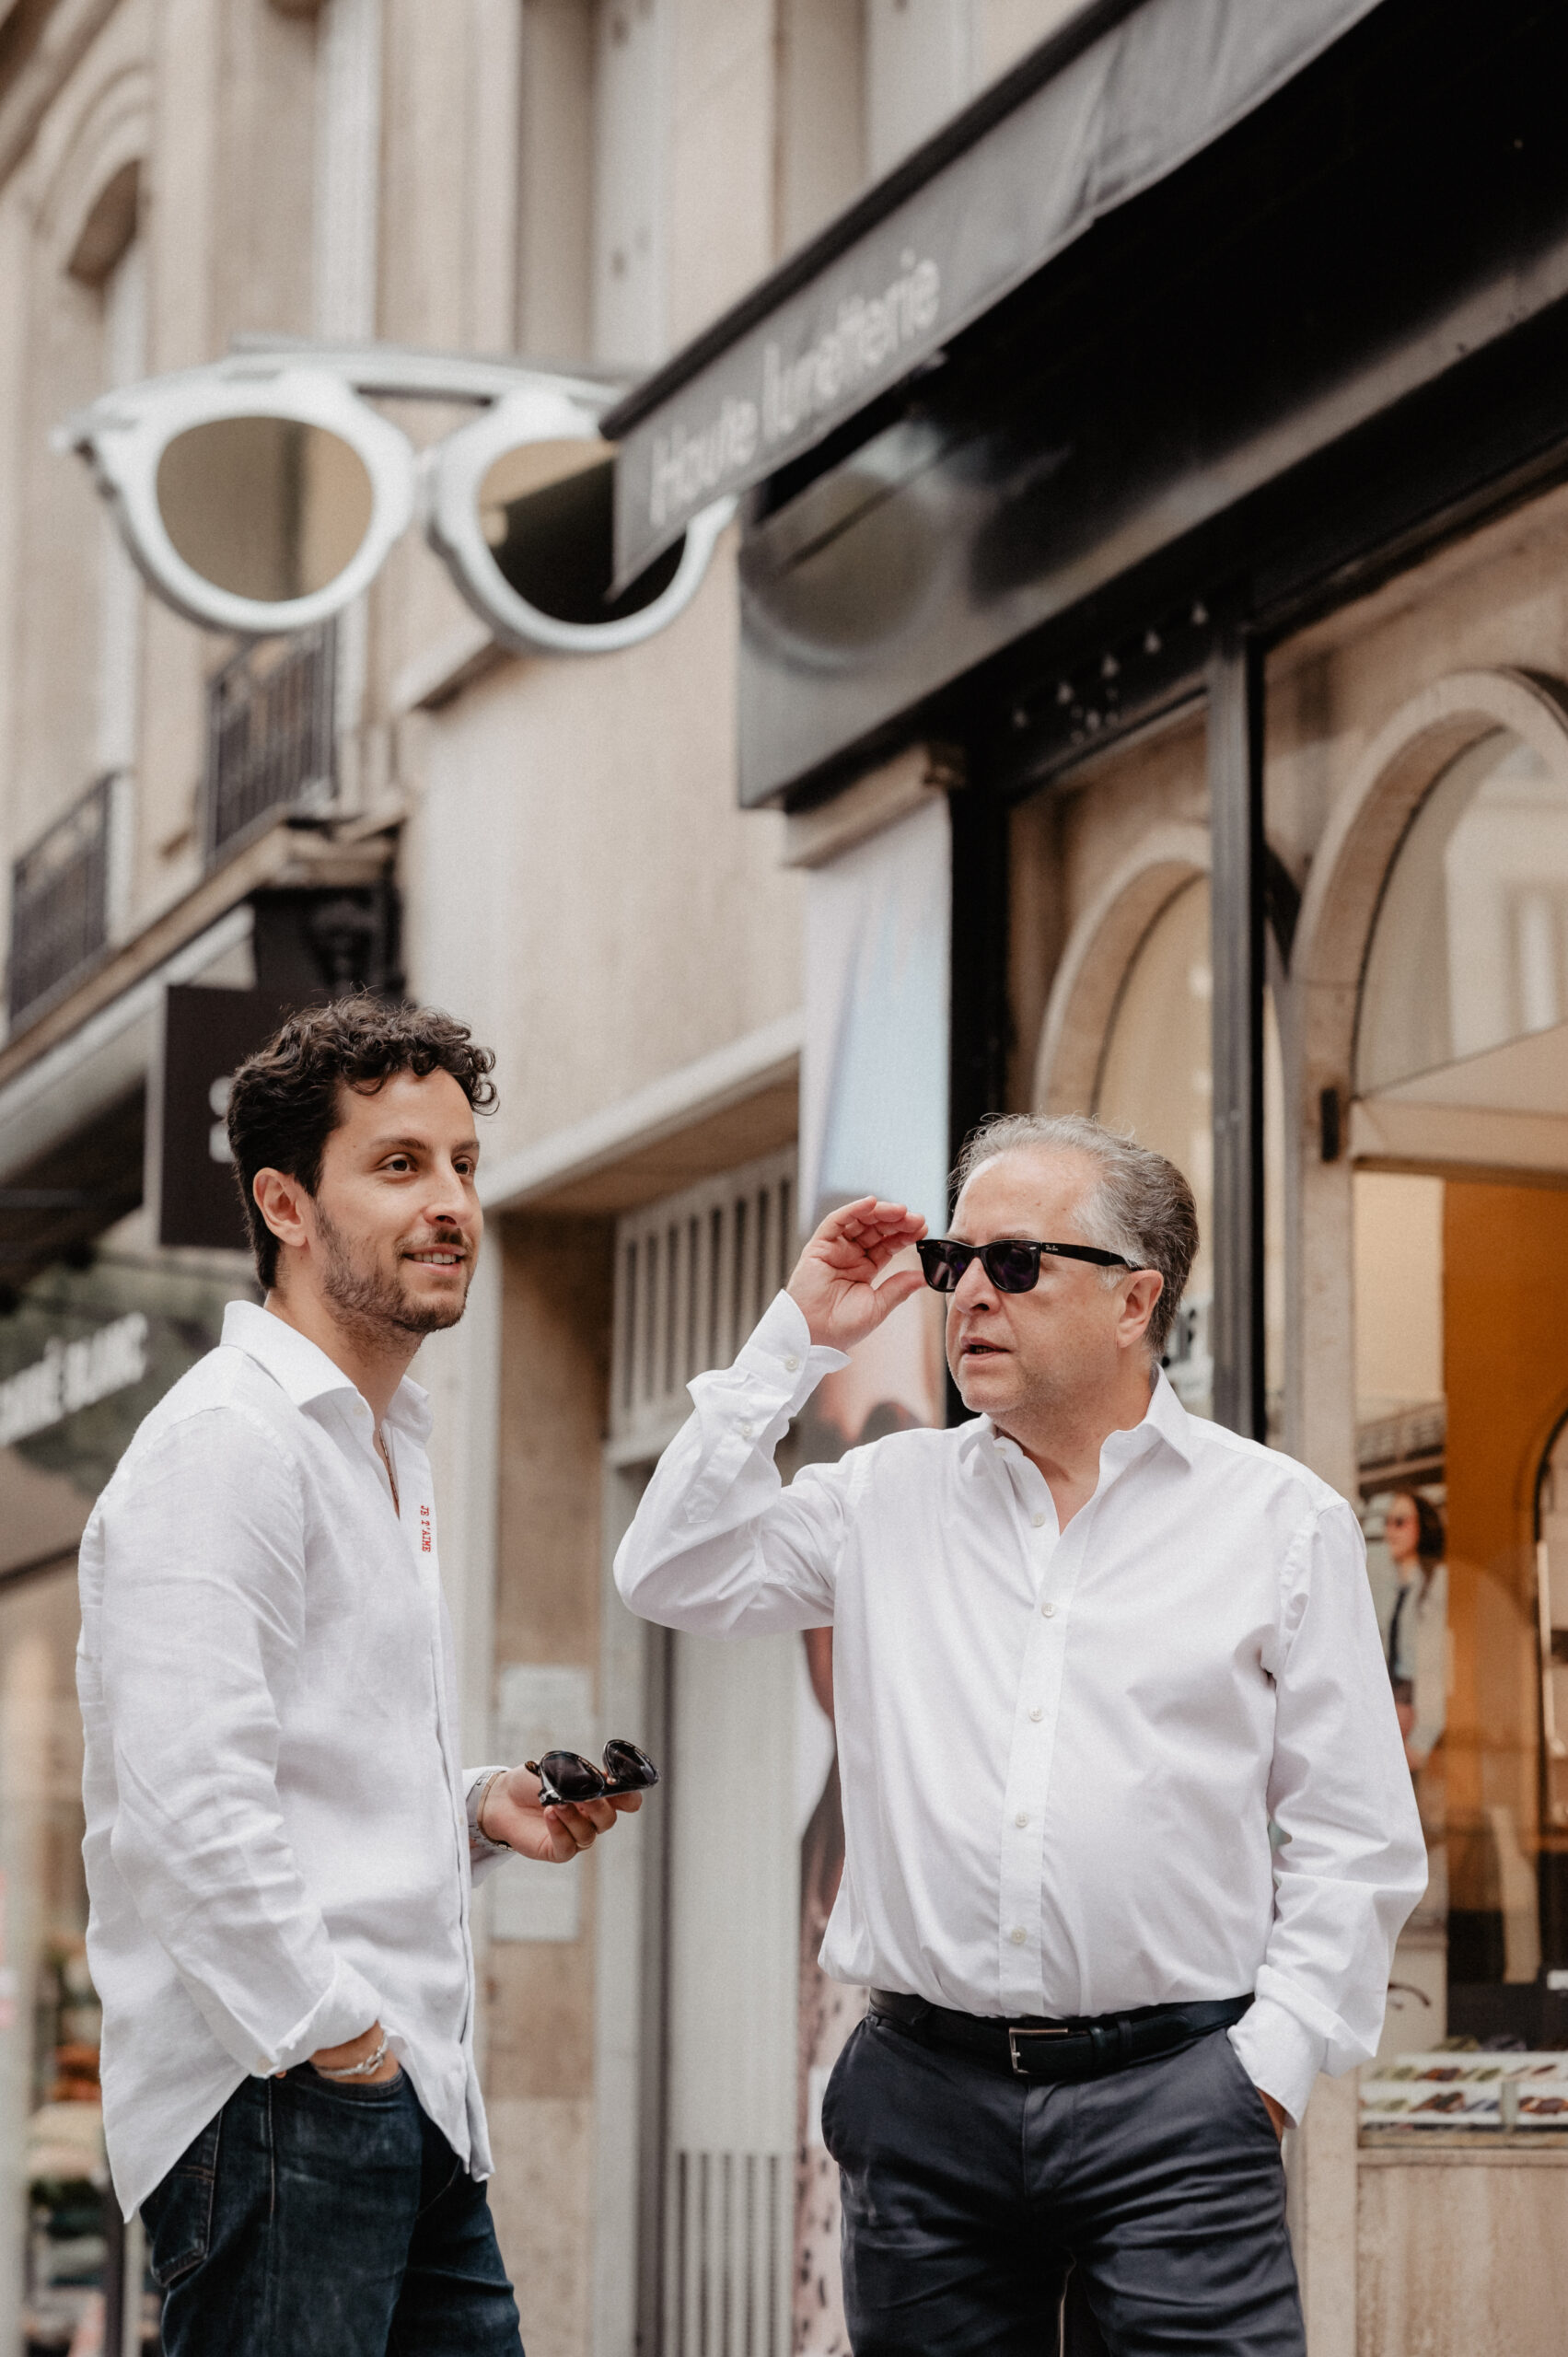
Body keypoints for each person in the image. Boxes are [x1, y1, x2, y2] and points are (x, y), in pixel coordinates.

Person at [616, 1111, 1426, 2356]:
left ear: (1132, 1301)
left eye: (1014, 1263)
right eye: (952, 1264)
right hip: (922, 2102)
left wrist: (1259, 2074)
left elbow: (1354, 1835)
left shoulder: (1277, 1521)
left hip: (1178, 2099)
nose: (967, 1297)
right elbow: (666, 1571)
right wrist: (793, 1339)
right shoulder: (881, 1499)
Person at [77, 996, 641, 2357]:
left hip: (406, 2104)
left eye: (462, 1164)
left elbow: (303, 1761)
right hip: (283, 2098)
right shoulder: (230, 1445)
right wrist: (339, 2044)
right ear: (283, 1202)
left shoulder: (375, 1442)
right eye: (399, 1167)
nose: (450, 1203)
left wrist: (472, 1808)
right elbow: (187, 1807)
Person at [1381, 1488, 1447, 1771]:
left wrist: (1420, 1743)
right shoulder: (1399, 1589)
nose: (1390, 1531)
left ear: (1423, 1527)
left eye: (1400, 1522)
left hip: (1419, 1732)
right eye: (1388, 1522)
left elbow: (1437, 1668)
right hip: (1397, 1722)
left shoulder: (1437, 1585)